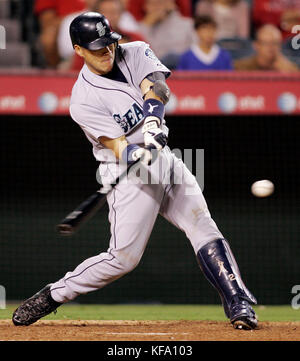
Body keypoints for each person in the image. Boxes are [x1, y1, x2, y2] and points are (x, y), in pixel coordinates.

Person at [12, 12, 258, 331]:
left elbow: (155, 86)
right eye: (97, 48)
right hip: (127, 171)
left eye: (109, 44)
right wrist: (138, 151)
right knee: (122, 260)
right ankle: (54, 295)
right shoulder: (83, 100)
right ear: (78, 50)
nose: (107, 52)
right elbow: (117, 146)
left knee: (203, 225)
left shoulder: (136, 50)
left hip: (164, 159)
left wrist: (154, 121)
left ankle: (238, 302)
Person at [34, 0, 87, 67]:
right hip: (67, 41)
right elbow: (47, 22)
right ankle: (57, 71)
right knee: (48, 37)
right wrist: (69, 21)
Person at [235, 24, 299, 72]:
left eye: (275, 43)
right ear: (256, 45)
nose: (271, 47)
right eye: (266, 43)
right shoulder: (241, 68)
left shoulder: (290, 70)